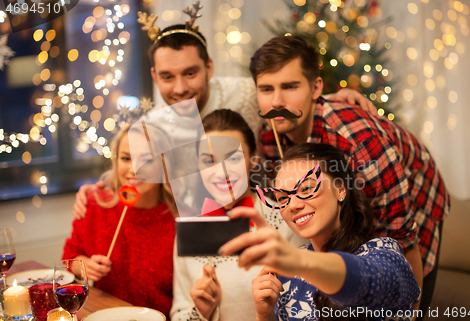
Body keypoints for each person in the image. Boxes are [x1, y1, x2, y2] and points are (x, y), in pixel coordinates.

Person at [72, 9, 375, 219]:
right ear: (154, 76)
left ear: (209, 68)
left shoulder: (243, 92)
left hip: (267, 208)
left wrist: (333, 95)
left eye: (190, 73)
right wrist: (93, 189)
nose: (180, 88)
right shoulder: (155, 128)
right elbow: (129, 169)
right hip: (208, 225)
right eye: (167, 77)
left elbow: (281, 92)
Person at [252, 35, 450, 318]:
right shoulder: (270, 132)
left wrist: (409, 311)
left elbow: (404, 242)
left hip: (414, 197)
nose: (277, 101)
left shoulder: (360, 144)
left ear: (315, 87)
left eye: (291, 86)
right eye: (266, 89)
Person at [220, 143, 421, 321]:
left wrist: (302, 261)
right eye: (282, 198)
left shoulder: (382, 251)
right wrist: (265, 316)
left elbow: (385, 283)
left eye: (306, 188)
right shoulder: (285, 276)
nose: (293, 205)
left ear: (340, 189)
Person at [170, 109, 307, 321]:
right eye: (209, 161)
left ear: (253, 160)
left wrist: (268, 313)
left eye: (233, 158)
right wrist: (200, 312)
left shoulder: (285, 221)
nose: (221, 172)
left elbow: (309, 310)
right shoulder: (188, 230)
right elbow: (178, 315)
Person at [62, 122, 178, 317]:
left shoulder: (178, 217)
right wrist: (85, 267)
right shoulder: (94, 204)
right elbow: (70, 256)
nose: (134, 170)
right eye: (126, 158)